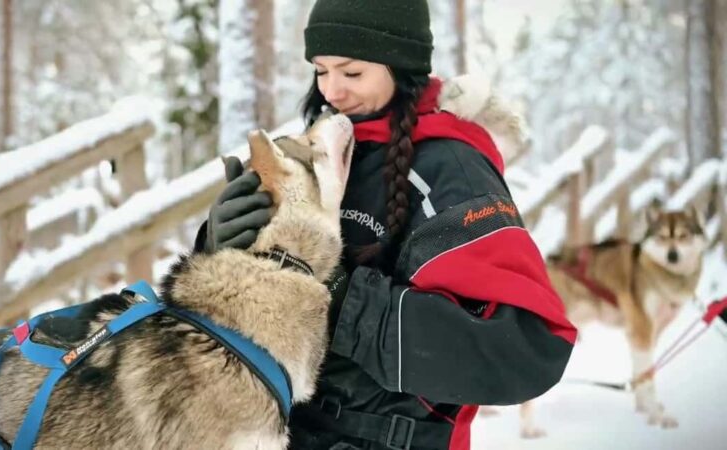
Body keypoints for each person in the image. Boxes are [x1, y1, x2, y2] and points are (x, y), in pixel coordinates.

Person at [195, 1, 577, 448]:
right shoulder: (319, 151)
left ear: (400, 64)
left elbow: (527, 352)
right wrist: (218, 248)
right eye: (321, 71)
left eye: (351, 73)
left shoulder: (452, 173)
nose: (333, 90)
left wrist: (342, 301)